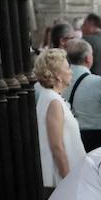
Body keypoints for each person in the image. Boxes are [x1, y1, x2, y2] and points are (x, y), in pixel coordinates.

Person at [33, 48, 84, 192]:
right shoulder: (53, 100)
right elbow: (56, 146)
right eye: (67, 68)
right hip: (60, 179)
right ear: (58, 76)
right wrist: (68, 178)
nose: (71, 71)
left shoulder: (51, 97)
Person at [64, 39, 101, 152]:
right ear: (88, 58)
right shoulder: (98, 82)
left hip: (70, 134)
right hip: (97, 136)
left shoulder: (62, 81)